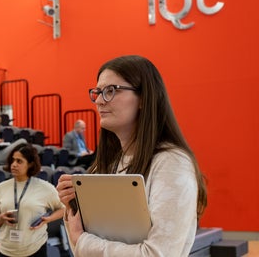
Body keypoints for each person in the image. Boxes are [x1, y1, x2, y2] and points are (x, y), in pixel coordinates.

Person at [56, 55, 207, 256]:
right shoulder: (111, 163)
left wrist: (82, 240)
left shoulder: (171, 162)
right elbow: (84, 247)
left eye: (110, 91)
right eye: (98, 92)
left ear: (144, 98)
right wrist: (73, 206)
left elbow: (157, 254)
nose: (99, 101)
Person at [0, 143, 65, 257]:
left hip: (35, 249)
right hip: (5, 251)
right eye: (13, 160)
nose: (14, 164)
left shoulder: (45, 187)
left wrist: (48, 219)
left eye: (19, 161)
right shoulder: (1, 188)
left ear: (30, 164)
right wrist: (1, 218)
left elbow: (63, 209)